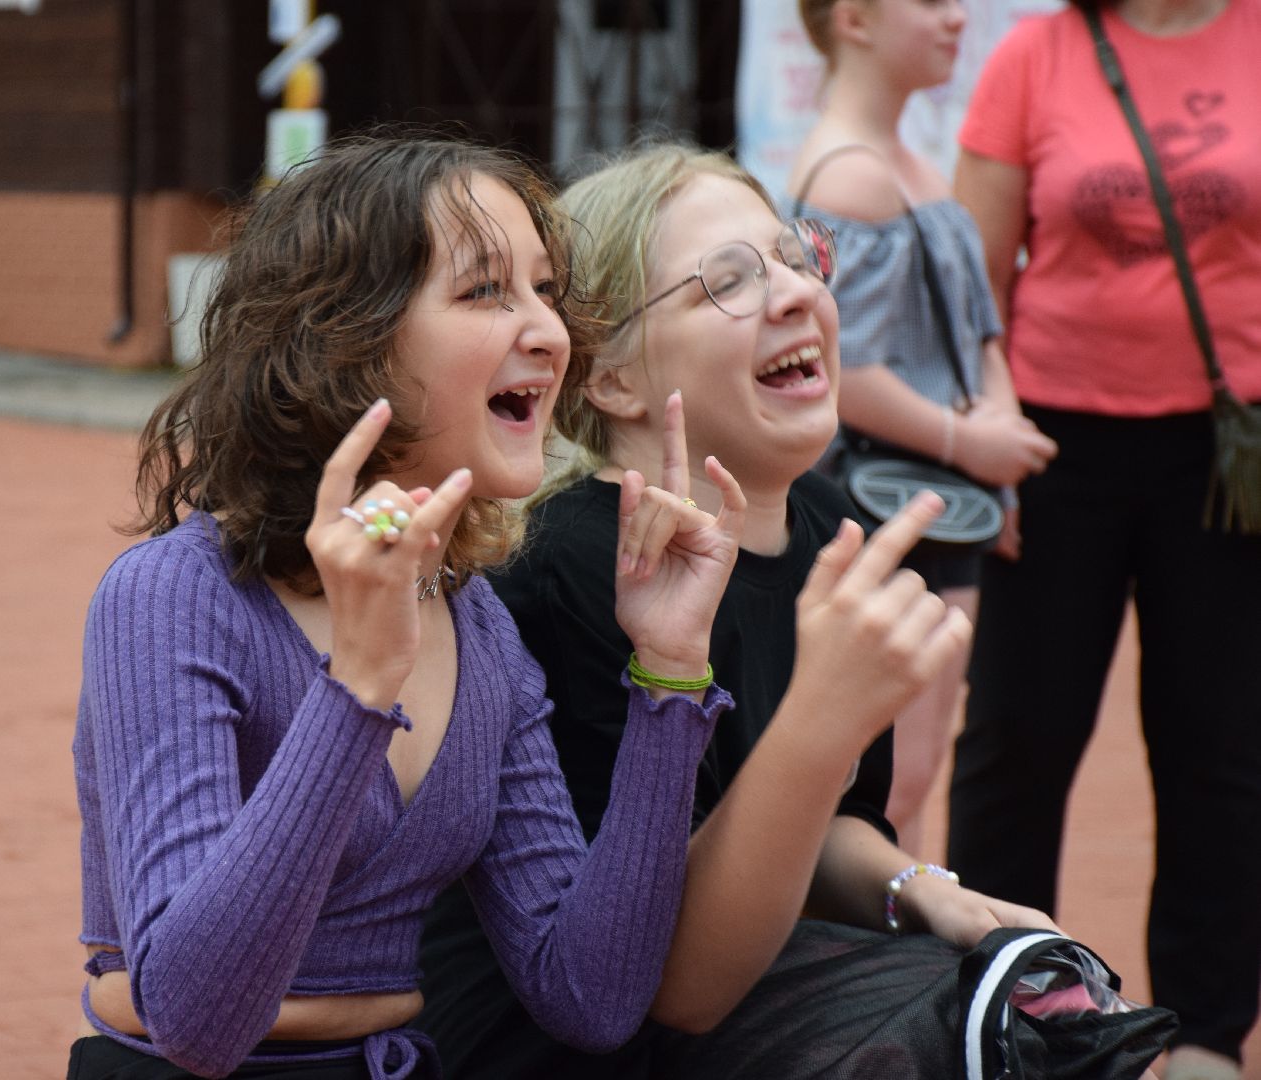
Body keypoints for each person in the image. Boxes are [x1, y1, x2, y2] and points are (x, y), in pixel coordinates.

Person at [69, 134, 747, 1080]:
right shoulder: (174, 597)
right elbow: (193, 1017)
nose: (549, 331)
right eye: (485, 291)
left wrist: (670, 672)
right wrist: (357, 684)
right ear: (346, 341)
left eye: (546, 290)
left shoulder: (481, 628)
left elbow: (590, 995)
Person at [414, 141, 1059, 1079]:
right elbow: (671, 983)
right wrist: (820, 719)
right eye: (726, 281)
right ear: (611, 377)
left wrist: (924, 892)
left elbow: (832, 820)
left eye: (796, 257)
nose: (794, 294)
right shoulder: (574, 565)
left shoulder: (827, 523)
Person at [946, 2, 1261, 1077]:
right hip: (1051, 446)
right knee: (1015, 746)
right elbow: (974, 286)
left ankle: (1211, 1033)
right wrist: (984, 449)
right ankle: (1003, 1005)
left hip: (1227, 452)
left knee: (1219, 748)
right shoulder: (1035, 55)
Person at [787, 0, 1056, 852]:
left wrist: (994, 451)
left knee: (917, 772)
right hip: (889, 499)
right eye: (931, 3)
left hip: (939, 500)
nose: (955, 19)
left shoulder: (911, 163)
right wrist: (968, 443)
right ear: (855, 20)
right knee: (892, 787)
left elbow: (976, 330)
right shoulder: (848, 176)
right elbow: (843, 363)